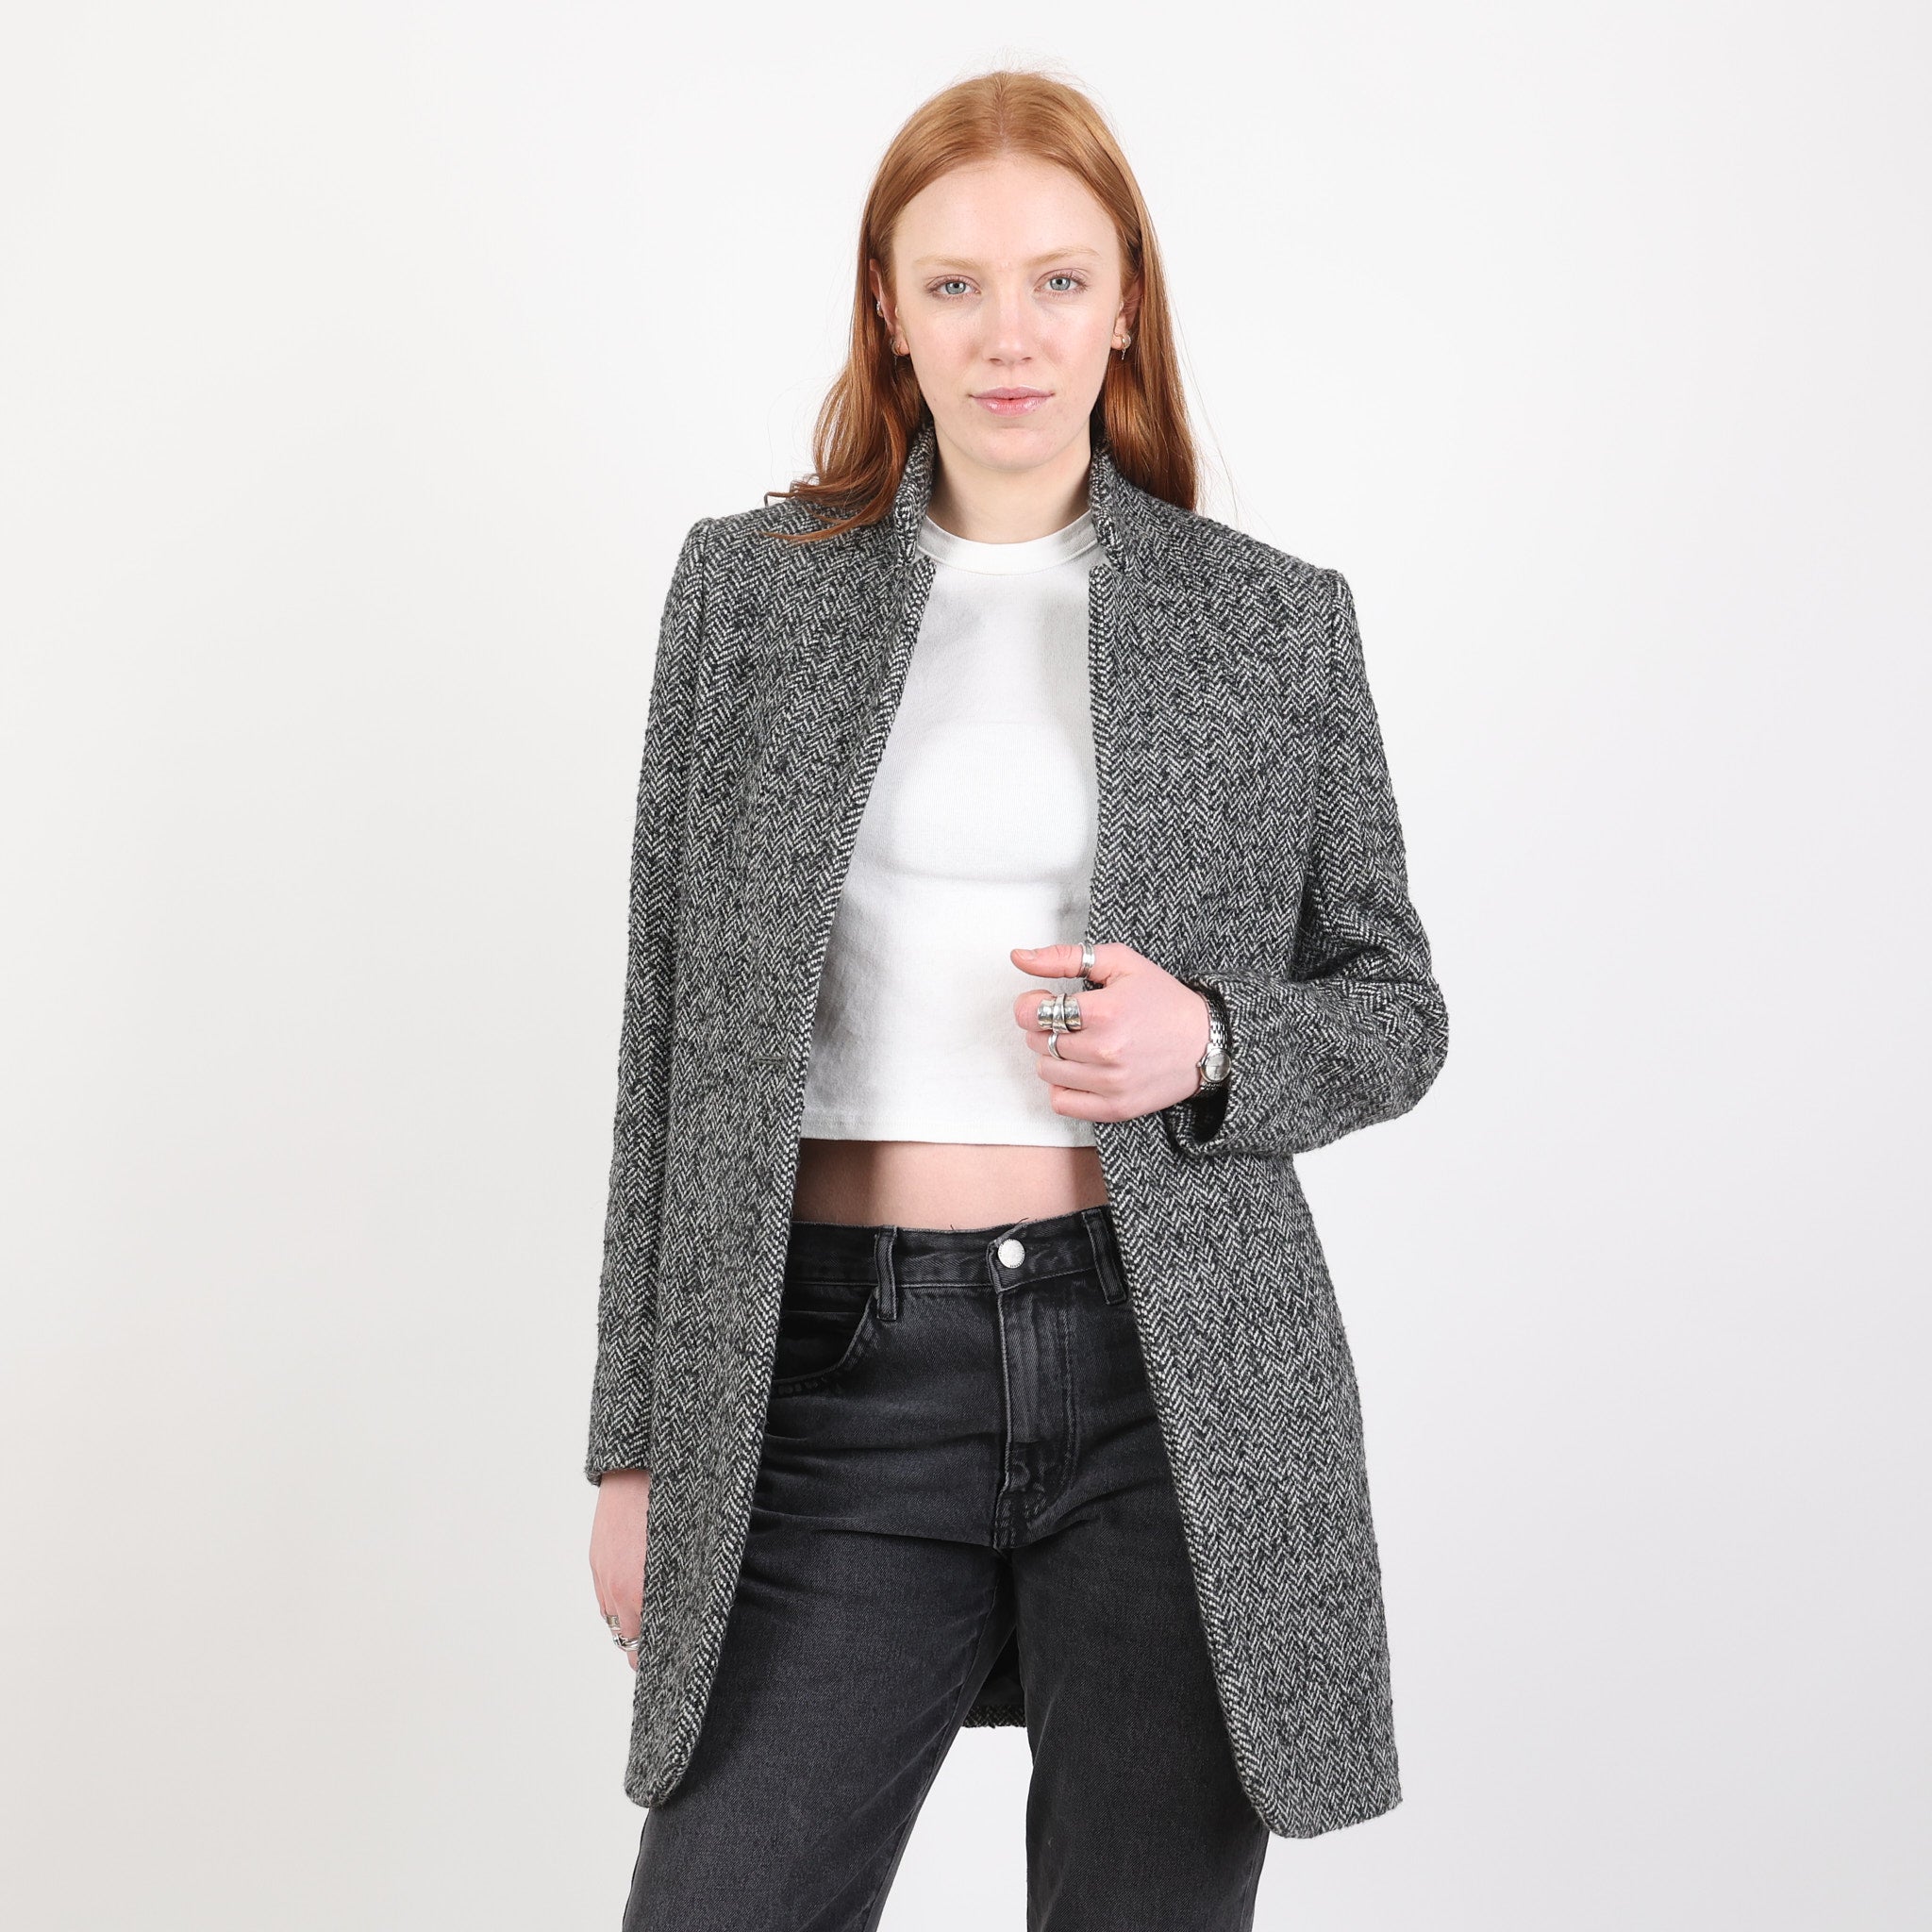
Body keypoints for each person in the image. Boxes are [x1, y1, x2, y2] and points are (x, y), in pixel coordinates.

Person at [588, 67, 1449, 1932]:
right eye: (956, 284)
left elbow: (1395, 1004)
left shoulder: (1267, 618)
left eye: (1059, 281)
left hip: (1171, 1370)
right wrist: (635, 1443)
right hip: (832, 1369)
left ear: (1125, 302)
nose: (1010, 334)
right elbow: (668, 1041)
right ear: (887, 308)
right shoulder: (748, 597)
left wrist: (1210, 1040)